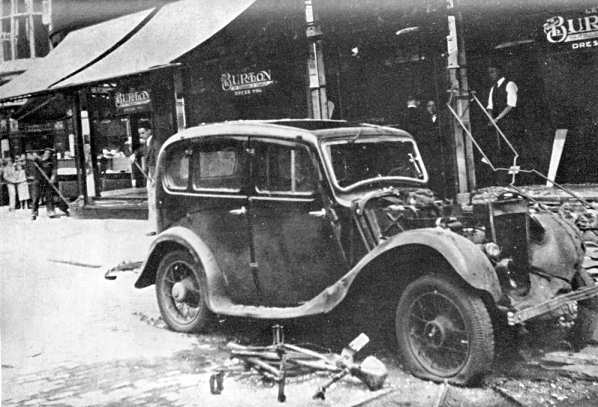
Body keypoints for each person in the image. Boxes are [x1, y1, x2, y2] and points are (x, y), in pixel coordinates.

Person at [30, 148, 70, 220]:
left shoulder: (52, 161)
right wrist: (34, 157)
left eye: (49, 153)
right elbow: (31, 157)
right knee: (36, 197)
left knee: (49, 196)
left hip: (47, 181)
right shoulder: (38, 160)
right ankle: (34, 213)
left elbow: (54, 170)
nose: (47, 154)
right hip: (38, 180)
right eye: (46, 153)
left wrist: (52, 178)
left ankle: (50, 211)